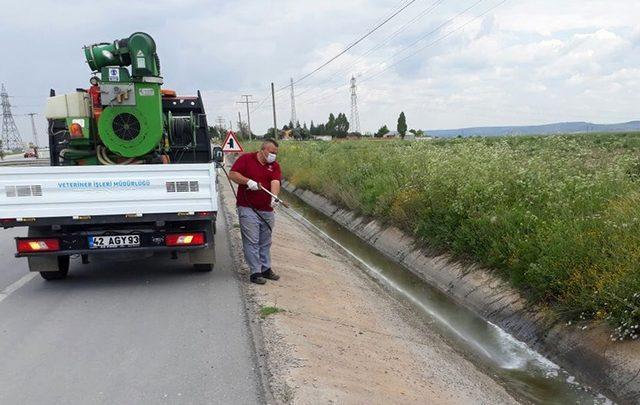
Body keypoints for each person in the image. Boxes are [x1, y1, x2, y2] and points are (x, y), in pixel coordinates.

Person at [229, 139, 282, 284]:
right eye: (271, 153)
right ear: (263, 150)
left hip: (267, 209)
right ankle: (255, 272)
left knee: (265, 241)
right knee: (252, 240)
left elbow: (275, 182)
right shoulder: (246, 159)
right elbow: (232, 174)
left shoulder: (274, 166)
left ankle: (266, 269)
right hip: (247, 208)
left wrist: (274, 196)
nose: (273, 156)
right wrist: (248, 182)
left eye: (276, 153)